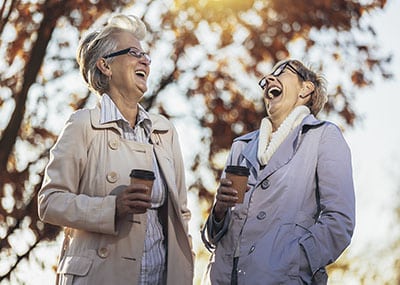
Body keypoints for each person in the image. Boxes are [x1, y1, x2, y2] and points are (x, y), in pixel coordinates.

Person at [38, 13, 193, 285]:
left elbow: (181, 215)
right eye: (134, 52)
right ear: (105, 66)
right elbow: (50, 202)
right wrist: (112, 207)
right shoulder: (83, 124)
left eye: (146, 55)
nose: (145, 60)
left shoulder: (164, 132)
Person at [201, 59, 355, 284]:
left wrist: (291, 262)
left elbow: (339, 221)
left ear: (306, 88)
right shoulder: (241, 147)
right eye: (265, 80)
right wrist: (219, 211)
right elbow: (214, 236)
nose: (268, 80)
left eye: (281, 72)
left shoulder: (323, 137)